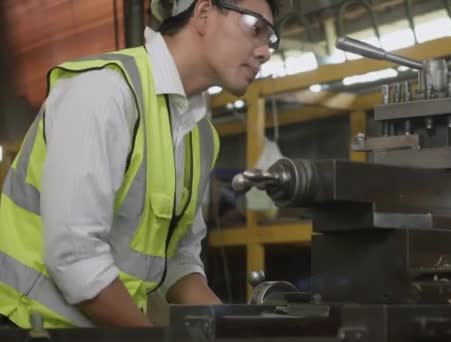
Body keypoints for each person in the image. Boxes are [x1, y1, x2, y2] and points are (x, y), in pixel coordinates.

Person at [0, 0, 279, 328]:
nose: (265, 52)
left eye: (271, 39)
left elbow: (178, 260)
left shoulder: (200, 136)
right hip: (20, 323)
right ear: (203, 13)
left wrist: (236, 331)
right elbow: (75, 258)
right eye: (256, 28)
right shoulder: (104, 92)